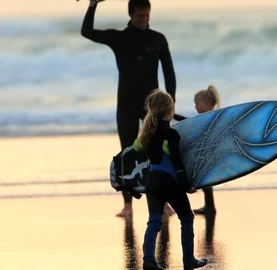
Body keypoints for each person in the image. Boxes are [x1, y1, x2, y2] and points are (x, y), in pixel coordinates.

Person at [81, 0, 177, 217]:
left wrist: (170, 102)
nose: (145, 20)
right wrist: (93, 5)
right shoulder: (120, 38)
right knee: (127, 152)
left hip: (152, 106)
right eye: (141, 16)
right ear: (131, 15)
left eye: (147, 16)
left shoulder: (157, 39)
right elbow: (86, 32)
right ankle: (128, 205)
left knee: (158, 152)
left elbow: (169, 72)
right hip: (126, 103)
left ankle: (162, 202)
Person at [135, 89, 208, 269]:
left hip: (152, 183)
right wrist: (187, 186)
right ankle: (189, 260)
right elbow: (178, 164)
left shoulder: (147, 134)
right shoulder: (172, 135)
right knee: (186, 217)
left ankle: (149, 260)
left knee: (154, 221)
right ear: (170, 112)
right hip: (169, 182)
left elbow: (135, 148)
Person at [174, 85, 221, 215]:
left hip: (207, 154)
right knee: (205, 182)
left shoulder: (208, 117)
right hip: (207, 153)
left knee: (206, 181)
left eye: (197, 104)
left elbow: (188, 122)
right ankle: (209, 206)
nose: (195, 107)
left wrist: (174, 115)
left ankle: (210, 207)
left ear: (206, 104)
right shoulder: (211, 116)